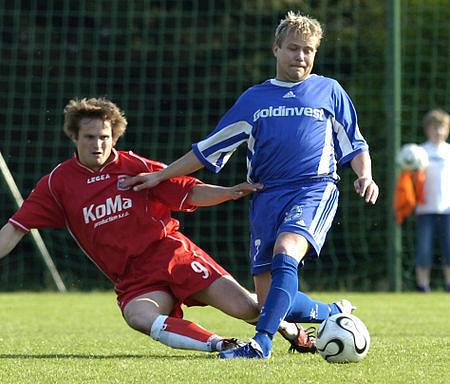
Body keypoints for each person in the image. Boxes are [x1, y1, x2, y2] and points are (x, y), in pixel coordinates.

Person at [122, 11, 379, 359]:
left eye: (308, 50)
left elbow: (355, 144)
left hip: (313, 188)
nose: (300, 57)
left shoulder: (328, 91)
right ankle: (332, 312)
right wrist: (160, 176)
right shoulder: (255, 100)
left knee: (287, 248)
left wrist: (364, 174)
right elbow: (207, 149)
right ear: (275, 49)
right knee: (270, 300)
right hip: (265, 196)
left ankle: (261, 344)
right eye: (293, 49)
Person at [0, 97, 315, 355]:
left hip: (173, 255)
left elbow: (187, 190)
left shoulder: (135, 167)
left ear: (115, 136)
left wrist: (229, 192)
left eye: (104, 137)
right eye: (90, 137)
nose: (98, 144)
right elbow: (16, 227)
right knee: (138, 316)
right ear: (74, 136)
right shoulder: (57, 184)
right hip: (134, 278)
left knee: (247, 308)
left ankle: (294, 331)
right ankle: (220, 344)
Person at [414, 109, 450, 292]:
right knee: (424, 249)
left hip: (447, 209)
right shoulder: (419, 152)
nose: (438, 131)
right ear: (427, 129)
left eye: (442, 127)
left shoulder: (449, 152)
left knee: (448, 248)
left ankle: (448, 283)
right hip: (424, 208)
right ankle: (423, 285)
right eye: (434, 127)